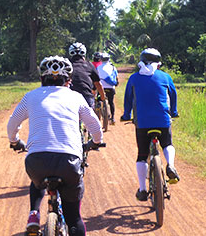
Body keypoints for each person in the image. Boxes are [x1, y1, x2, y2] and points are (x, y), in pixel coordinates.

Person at [7, 55, 104, 236]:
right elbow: (94, 126)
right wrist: (96, 142)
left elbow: (12, 124)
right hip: (69, 161)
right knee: (73, 217)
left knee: (38, 178)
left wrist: (15, 141)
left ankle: (34, 213)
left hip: (37, 161)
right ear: (68, 80)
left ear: (41, 78)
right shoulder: (76, 97)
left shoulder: (30, 96)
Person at [120, 48, 179, 201]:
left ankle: (142, 189)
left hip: (143, 123)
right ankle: (170, 165)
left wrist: (127, 115)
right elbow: (173, 95)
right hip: (163, 120)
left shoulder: (133, 78)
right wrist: (173, 111)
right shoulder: (166, 77)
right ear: (159, 64)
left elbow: (128, 99)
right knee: (167, 143)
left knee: (142, 154)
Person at [68, 42, 106, 109]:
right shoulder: (89, 65)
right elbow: (98, 84)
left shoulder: (67, 65)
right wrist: (103, 98)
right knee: (89, 118)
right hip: (86, 96)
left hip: (70, 97)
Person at [97, 52, 119, 125]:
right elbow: (116, 77)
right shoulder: (113, 67)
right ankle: (113, 118)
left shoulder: (98, 67)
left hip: (101, 87)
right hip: (110, 87)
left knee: (98, 99)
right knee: (111, 102)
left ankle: (99, 107)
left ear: (101, 59)